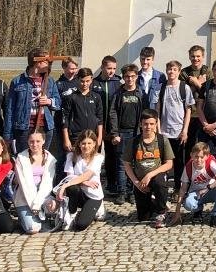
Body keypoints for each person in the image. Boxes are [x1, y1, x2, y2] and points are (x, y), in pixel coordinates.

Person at [4, 48, 62, 154]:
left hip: (45, 127)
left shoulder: (49, 81)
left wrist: (49, 101)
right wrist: (8, 134)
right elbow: (10, 109)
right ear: (37, 62)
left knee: (42, 157)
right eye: (46, 61)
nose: (49, 64)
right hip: (24, 128)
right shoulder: (18, 81)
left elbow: (58, 103)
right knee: (24, 158)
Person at [123, 109, 174, 228]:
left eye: (151, 124)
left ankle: (161, 213)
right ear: (141, 124)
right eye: (145, 124)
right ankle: (156, 201)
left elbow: (169, 164)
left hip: (157, 177)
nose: (148, 127)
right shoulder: (134, 142)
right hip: (140, 181)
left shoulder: (162, 140)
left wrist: (150, 175)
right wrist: (136, 183)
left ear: (156, 124)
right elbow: (126, 164)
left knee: (159, 183)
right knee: (143, 217)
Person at [156, 61, 193, 195]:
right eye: (169, 69)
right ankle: (162, 188)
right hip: (164, 132)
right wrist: (158, 131)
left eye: (174, 69)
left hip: (178, 132)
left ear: (179, 71)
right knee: (163, 161)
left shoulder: (185, 88)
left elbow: (188, 110)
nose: (171, 72)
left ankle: (178, 188)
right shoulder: (161, 88)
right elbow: (157, 111)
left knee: (179, 162)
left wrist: (185, 130)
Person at [56, 130, 104, 232]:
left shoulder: (98, 158)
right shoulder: (71, 156)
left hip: (93, 194)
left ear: (94, 144)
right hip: (79, 193)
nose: (86, 146)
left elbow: (87, 175)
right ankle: (72, 213)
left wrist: (64, 186)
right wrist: (83, 182)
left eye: (89, 143)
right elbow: (69, 176)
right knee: (72, 188)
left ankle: (97, 208)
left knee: (81, 225)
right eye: (83, 143)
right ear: (79, 144)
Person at [13, 130, 58, 234]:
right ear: (28, 142)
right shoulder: (21, 158)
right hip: (24, 196)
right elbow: (24, 185)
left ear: (44, 141)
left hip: (42, 194)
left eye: (38, 141)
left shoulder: (50, 158)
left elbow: (47, 184)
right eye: (31, 141)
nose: (34, 144)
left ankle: (43, 217)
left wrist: (37, 204)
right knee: (33, 229)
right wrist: (34, 205)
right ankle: (25, 217)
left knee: (53, 205)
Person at [174, 142, 216, 227]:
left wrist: (207, 188)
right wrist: (177, 212)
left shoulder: (210, 163)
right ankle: (198, 210)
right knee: (188, 204)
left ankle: (215, 215)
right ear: (191, 155)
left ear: (206, 156)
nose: (198, 160)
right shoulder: (188, 167)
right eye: (196, 156)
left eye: (201, 157)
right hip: (196, 193)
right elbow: (183, 189)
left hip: (210, 191)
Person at [92, 56, 123, 197]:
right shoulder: (94, 83)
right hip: (96, 127)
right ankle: (94, 182)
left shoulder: (118, 83)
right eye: (109, 68)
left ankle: (112, 184)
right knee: (94, 155)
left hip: (112, 127)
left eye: (114, 68)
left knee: (112, 156)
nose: (112, 71)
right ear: (102, 67)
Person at [61, 68, 103, 155]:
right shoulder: (71, 97)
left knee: (91, 161)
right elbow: (65, 119)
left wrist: (99, 137)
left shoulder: (96, 97)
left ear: (91, 80)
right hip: (76, 137)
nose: (85, 84)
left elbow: (100, 118)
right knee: (76, 161)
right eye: (82, 81)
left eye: (87, 81)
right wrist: (66, 139)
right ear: (77, 79)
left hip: (92, 136)